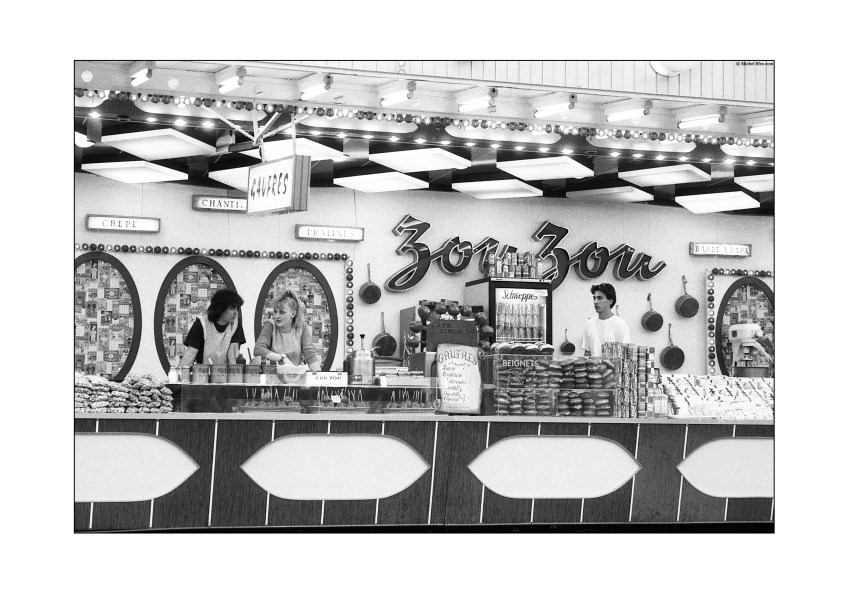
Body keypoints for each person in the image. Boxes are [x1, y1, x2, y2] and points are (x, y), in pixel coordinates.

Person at [254, 289, 322, 371]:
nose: (276, 316)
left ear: (293, 314)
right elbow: (258, 349)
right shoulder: (270, 326)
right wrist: (282, 358)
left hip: (295, 374)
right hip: (274, 375)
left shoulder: (302, 327)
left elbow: (310, 354)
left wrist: (318, 375)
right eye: (275, 311)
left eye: (282, 312)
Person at [178, 289, 246, 366]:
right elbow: (190, 353)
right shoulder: (201, 324)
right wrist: (178, 372)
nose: (236, 313)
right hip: (203, 370)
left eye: (237, 308)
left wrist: (235, 372)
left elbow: (233, 352)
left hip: (226, 371)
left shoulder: (235, 324)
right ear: (221, 308)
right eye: (232, 308)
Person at [581, 283, 631, 357]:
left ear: (610, 301)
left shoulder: (620, 324)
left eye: (600, 298)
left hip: (613, 364)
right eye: (594, 298)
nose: (595, 302)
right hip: (592, 364)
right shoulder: (589, 323)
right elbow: (587, 352)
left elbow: (626, 355)